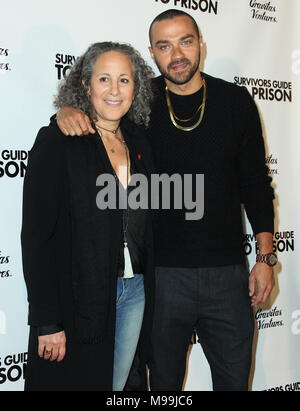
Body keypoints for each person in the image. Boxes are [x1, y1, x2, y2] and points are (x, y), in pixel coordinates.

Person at [55, 10, 277, 391]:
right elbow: (99, 118)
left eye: (185, 41)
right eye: (164, 45)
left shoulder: (235, 101)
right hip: (160, 279)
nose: (176, 54)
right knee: (162, 386)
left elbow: (256, 183)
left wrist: (266, 258)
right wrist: (67, 110)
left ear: (201, 43)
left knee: (234, 383)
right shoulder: (138, 103)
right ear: (152, 54)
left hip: (227, 276)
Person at [21, 41, 155, 391]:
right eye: (104, 79)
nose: (114, 90)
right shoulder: (59, 141)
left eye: (124, 80)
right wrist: (47, 321)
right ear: (85, 85)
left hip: (135, 292)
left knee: (116, 386)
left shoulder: (142, 142)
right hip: (78, 299)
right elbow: (36, 239)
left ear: (136, 87)